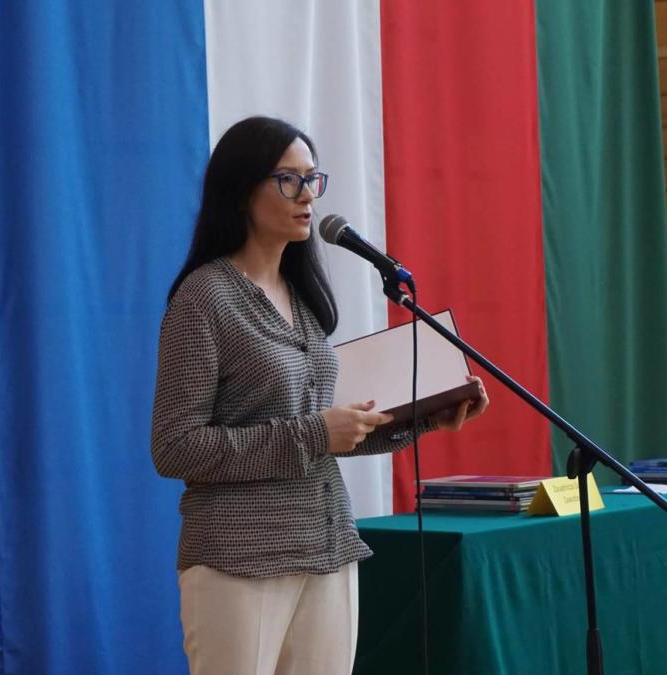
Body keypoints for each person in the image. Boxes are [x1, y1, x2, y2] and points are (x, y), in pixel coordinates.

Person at [151, 116, 488, 675]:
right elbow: (175, 447)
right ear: (241, 190)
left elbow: (328, 438)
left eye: (312, 179)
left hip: (327, 547)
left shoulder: (303, 299)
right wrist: (314, 433)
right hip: (238, 559)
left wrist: (426, 416)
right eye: (289, 180)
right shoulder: (204, 298)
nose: (308, 195)